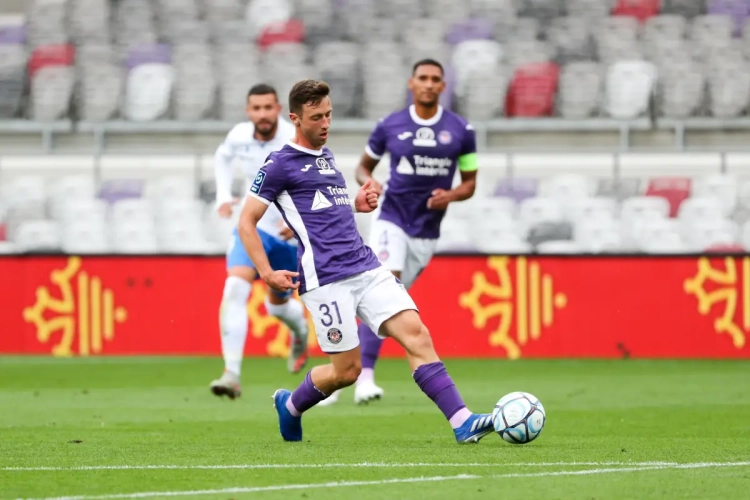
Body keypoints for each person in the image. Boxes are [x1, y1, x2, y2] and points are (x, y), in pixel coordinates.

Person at [237, 79, 493, 443]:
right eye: (316, 117)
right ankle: (291, 405)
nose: (325, 123)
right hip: (326, 280)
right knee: (347, 372)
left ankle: (462, 421)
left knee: (417, 335)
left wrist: (357, 203)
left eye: (328, 115)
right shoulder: (279, 164)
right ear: (294, 118)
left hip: (367, 267)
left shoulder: (325, 157)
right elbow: (246, 221)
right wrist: (265, 272)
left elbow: (324, 208)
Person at [318, 59, 478, 407]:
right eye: (423, 78)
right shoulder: (391, 125)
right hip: (391, 219)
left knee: (389, 304)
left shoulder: (462, 131)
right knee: (388, 284)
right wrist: (368, 181)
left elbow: (469, 184)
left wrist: (450, 195)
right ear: (411, 83)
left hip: (426, 232)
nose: (429, 84)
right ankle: (365, 379)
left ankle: (341, 374)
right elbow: (363, 167)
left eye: (436, 79)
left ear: (443, 86)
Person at [209, 84, 309, 400]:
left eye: (268, 107)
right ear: (248, 110)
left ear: (278, 108)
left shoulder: (294, 137)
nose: (262, 114)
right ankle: (232, 374)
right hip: (252, 227)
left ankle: (300, 332)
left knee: (276, 307)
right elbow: (221, 158)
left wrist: (301, 221)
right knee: (235, 288)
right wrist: (224, 197)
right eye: (256, 108)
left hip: (287, 234)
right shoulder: (238, 136)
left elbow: (312, 178)